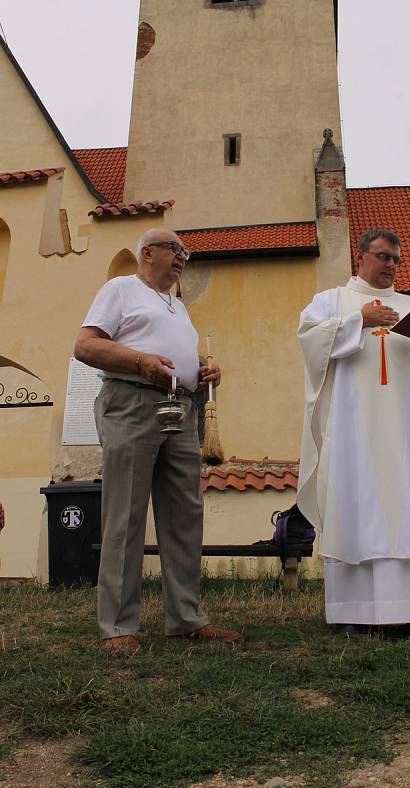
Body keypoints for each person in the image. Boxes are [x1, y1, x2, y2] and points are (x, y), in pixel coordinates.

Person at [74, 228, 239, 654]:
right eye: (176, 248)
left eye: (186, 250)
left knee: (185, 514)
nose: (184, 255)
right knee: (125, 515)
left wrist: (204, 369)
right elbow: (86, 346)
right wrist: (139, 361)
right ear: (148, 252)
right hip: (131, 402)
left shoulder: (177, 304)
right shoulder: (121, 289)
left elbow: (174, 352)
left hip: (181, 409)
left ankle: (186, 619)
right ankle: (118, 626)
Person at [297, 229, 410, 638]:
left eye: (396, 260)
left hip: (407, 432)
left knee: (408, 509)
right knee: (354, 506)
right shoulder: (331, 301)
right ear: (360, 257)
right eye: (384, 257)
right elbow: (310, 342)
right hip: (352, 430)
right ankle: (353, 615)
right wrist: (358, 321)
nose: (391, 266)